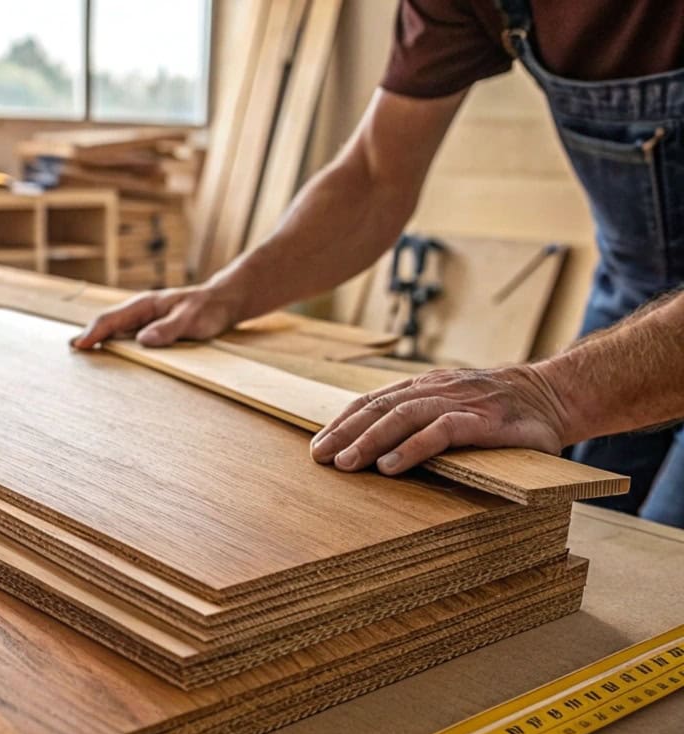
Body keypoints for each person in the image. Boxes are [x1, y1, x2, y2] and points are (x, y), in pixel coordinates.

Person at [71, 1, 684, 528]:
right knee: (591, 537)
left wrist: (552, 392)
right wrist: (228, 292)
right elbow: (373, 175)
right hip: (632, 296)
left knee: (663, 573)